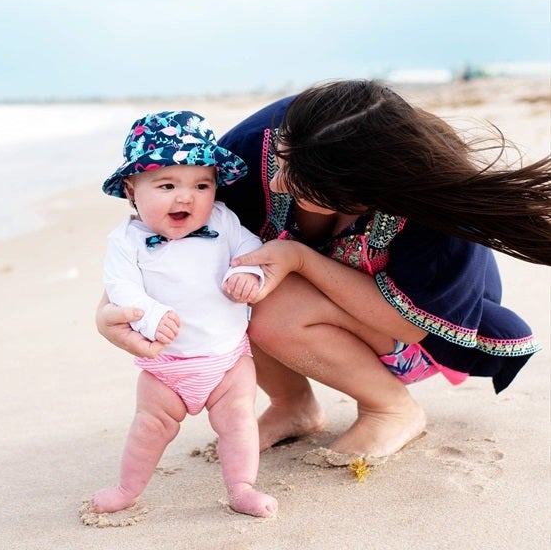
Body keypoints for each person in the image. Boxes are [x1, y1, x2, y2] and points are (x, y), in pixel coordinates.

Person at [95, 80, 551, 462]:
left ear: (363, 192)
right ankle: (292, 404)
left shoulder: (436, 202)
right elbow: (163, 243)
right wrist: (109, 312)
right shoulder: (261, 147)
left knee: (270, 305)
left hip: (412, 329)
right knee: (230, 281)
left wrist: (301, 259)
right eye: (283, 160)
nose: (274, 180)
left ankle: (389, 407)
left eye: (297, 180)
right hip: (311, 308)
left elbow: (411, 327)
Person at [91, 110, 277, 519]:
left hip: (227, 359)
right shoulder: (126, 242)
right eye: (167, 184)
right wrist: (148, 315)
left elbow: (252, 251)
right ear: (131, 189)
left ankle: (242, 487)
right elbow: (120, 289)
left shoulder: (223, 222)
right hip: (167, 367)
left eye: (201, 184)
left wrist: (246, 272)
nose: (186, 196)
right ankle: (127, 488)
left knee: (238, 422)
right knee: (149, 427)